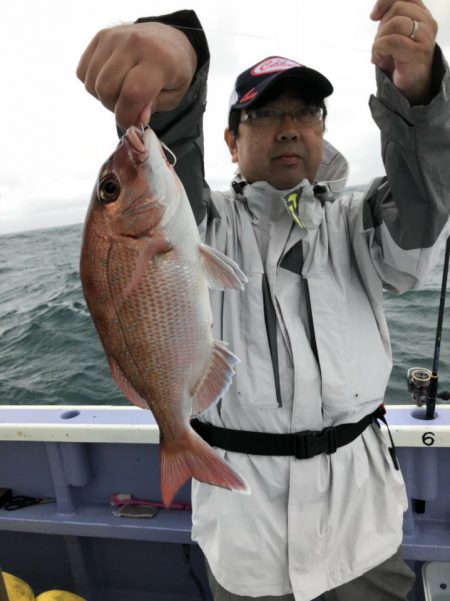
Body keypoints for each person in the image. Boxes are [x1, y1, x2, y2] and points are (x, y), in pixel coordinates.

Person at [77, 1, 450, 599]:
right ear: (230, 138)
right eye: (266, 113)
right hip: (244, 539)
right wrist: (179, 57)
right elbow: (168, 164)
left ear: (322, 130)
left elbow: (422, 219)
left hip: (363, 530)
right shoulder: (198, 222)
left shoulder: (361, 220)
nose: (289, 127)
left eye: (306, 112)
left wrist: (422, 102)